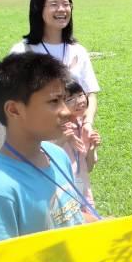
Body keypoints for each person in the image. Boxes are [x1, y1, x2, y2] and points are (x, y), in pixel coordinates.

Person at [0, 53, 100, 246]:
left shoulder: (56, 154)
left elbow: (68, 216)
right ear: (14, 110)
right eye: (54, 101)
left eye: (64, 100)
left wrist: (105, 225)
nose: (66, 111)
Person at [0, 0, 101, 164]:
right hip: (34, 138)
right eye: (54, 4)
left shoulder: (78, 51)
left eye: (66, 4)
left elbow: (90, 93)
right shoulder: (23, 51)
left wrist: (87, 123)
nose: (62, 9)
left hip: (71, 135)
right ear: (38, 8)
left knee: (69, 185)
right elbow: (14, 103)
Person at [55, 78, 101, 211]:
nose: (80, 101)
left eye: (81, 95)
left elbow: (89, 167)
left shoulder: (83, 126)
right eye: (70, 99)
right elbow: (44, 161)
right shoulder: (53, 129)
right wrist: (62, 140)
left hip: (84, 193)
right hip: (60, 195)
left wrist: (92, 148)